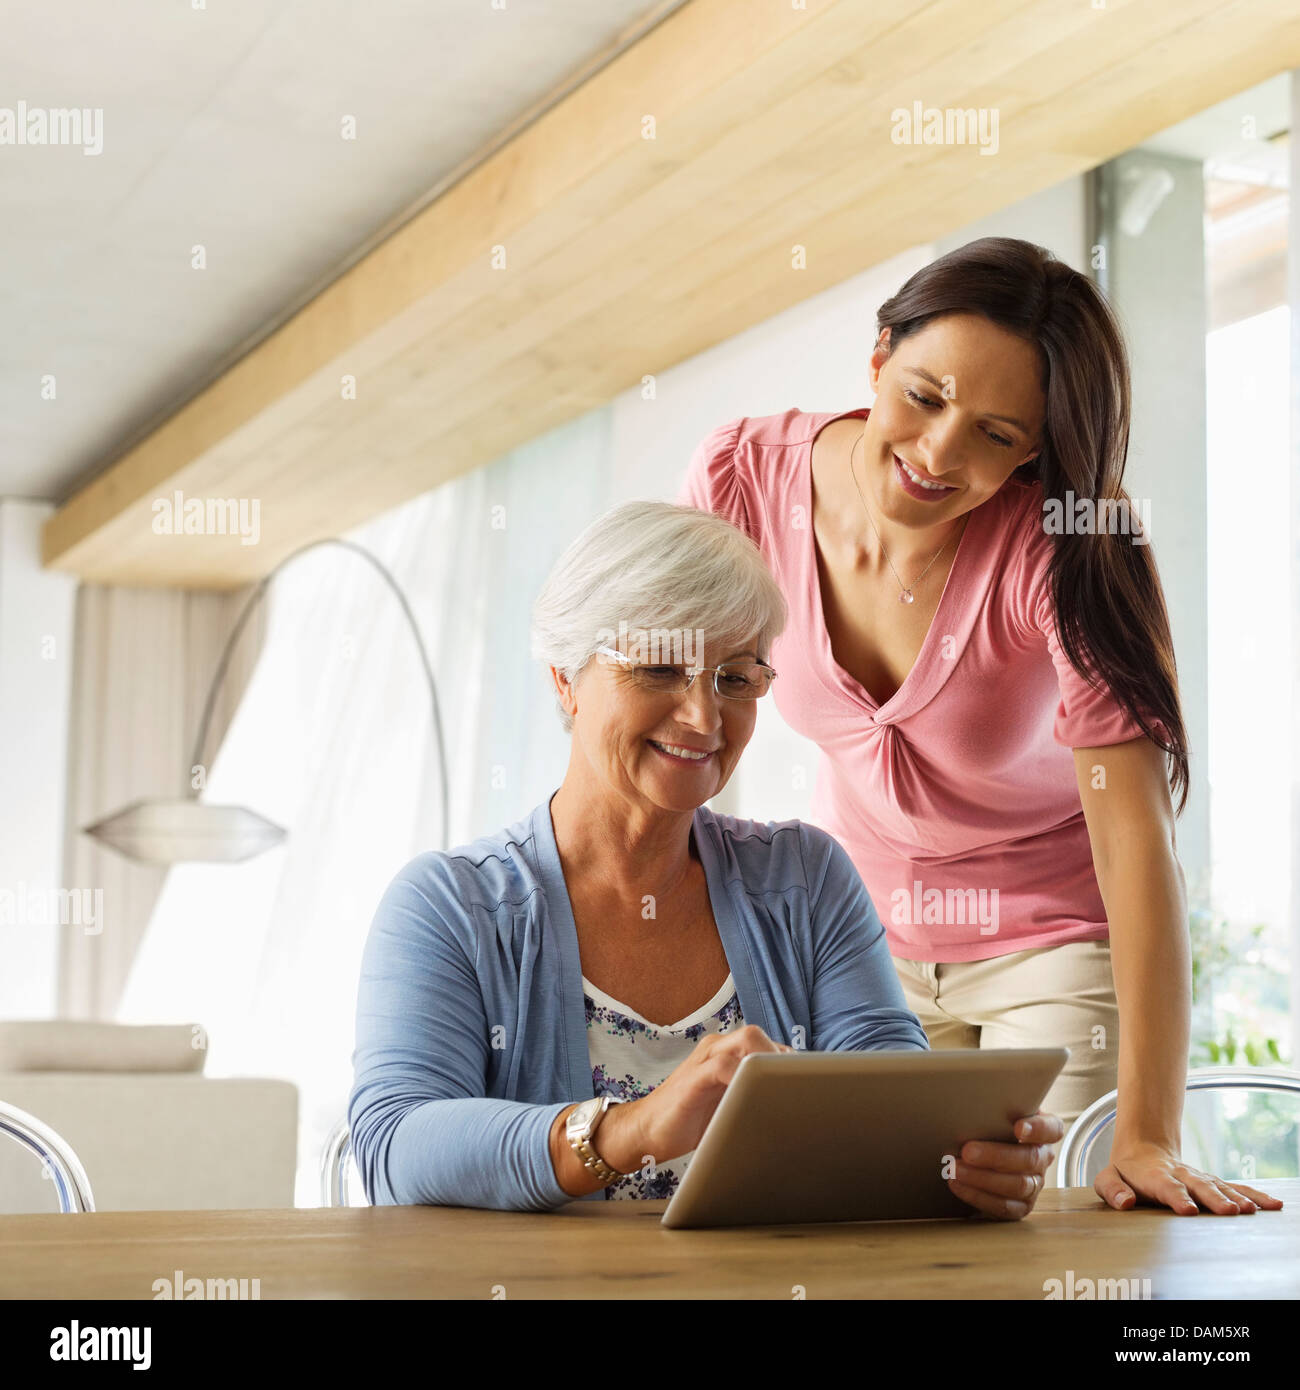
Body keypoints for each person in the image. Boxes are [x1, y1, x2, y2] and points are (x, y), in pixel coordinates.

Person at [679, 235, 1281, 1215]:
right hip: (861, 944)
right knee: (863, 1231)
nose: (936, 454)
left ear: (1035, 448)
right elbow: (682, 721)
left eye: (995, 435)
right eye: (922, 396)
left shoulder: (1067, 547)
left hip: (1050, 949)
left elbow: (1132, 838)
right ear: (878, 359)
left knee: (1053, 1233)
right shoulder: (743, 478)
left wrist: (1147, 1134)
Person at [349, 499, 1061, 1216]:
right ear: (565, 677)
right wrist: (629, 1128)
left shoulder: (806, 881)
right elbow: (394, 1146)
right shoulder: (448, 907)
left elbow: (889, 1095)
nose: (703, 717)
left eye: (736, 677)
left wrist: (957, 1163)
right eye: (660, 667)